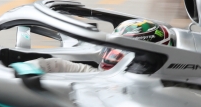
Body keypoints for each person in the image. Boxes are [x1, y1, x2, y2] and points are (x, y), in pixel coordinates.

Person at [19, 19, 175, 74]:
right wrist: (30, 66)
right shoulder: (103, 73)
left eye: (124, 52)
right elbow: (58, 65)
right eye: (115, 48)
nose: (113, 55)